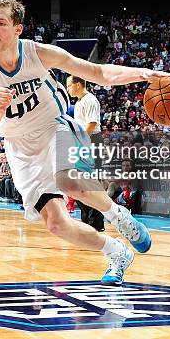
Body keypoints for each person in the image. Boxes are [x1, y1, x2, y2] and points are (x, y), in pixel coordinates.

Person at [0, 0, 170, 285]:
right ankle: (117, 252)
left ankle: (119, 216)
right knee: (56, 224)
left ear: (18, 29)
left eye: (1, 23)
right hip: (20, 147)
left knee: (68, 182)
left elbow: (99, 73)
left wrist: (143, 75)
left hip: (55, 126)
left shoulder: (38, 53)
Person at [66, 75, 105, 232]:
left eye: (69, 85)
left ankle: (96, 222)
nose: (68, 89)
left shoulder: (90, 100)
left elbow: (91, 125)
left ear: (78, 84)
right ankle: (87, 217)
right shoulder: (79, 102)